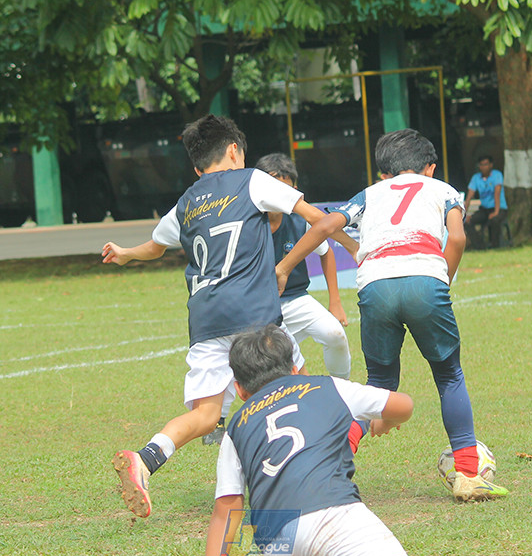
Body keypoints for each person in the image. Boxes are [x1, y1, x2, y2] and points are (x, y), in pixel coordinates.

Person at [102, 115, 356, 518]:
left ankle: (146, 458)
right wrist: (355, 247)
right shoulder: (253, 180)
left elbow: (155, 246)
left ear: (197, 164)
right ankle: (322, 477)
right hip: (254, 315)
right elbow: (317, 218)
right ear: (235, 151)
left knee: (204, 416)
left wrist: (126, 253)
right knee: (302, 391)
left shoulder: (185, 203)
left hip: (205, 320)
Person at [155, 325, 462, 556]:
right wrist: (385, 421)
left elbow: (226, 509)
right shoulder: (326, 386)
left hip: (276, 544)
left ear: (240, 389)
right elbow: (404, 405)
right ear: (293, 368)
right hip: (327, 515)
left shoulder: (236, 428)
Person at [274, 129, 508, 502]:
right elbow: (459, 238)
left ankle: (327, 469)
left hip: (374, 283)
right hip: (424, 280)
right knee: (448, 374)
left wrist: (285, 267)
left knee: (379, 384)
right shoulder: (444, 189)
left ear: (384, 173)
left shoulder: (370, 193)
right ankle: (467, 472)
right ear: (429, 168)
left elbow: (324, 225)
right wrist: (441, 281)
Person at [254, 153, 350, 379]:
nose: (278, 197)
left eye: (284, 191)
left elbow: (326, 253)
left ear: (295, 193)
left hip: (297, 299)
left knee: (335, 335)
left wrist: (335, 302)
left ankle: (341, 388)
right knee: (277, 367)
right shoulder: (247, 223)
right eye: (271, 189)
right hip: (260, 307)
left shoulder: (300, 221)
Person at [463, 154, 508, 250]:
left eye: (486, 164)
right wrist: (465, 213)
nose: (484, 167)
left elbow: (497, 193)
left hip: (499, 207)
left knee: (495, 220)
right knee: (467, 222)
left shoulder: (497, 175)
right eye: (482, 165)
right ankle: (480, 247)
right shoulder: (476, 178)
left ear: (491, 165)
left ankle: (495, 246)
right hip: (484, 209)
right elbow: (469, 196)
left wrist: (496, 212)